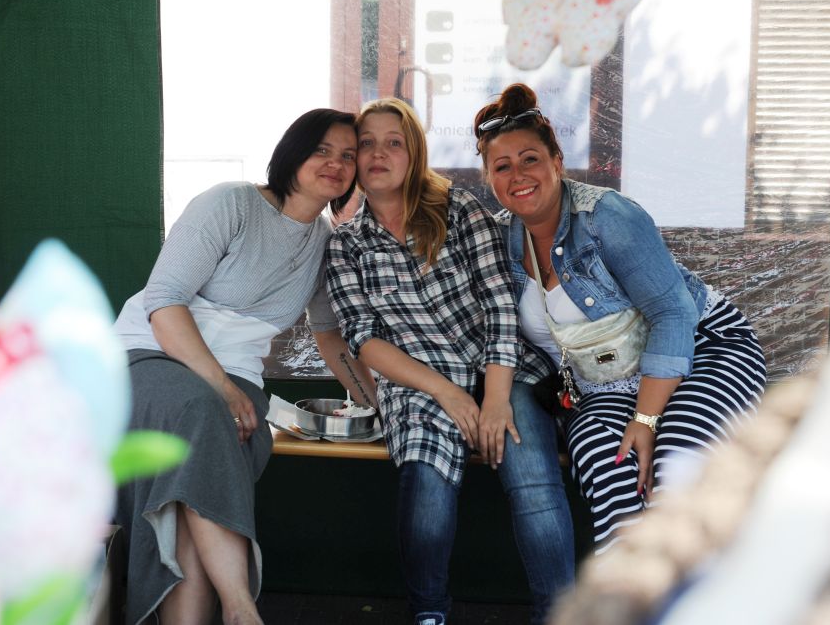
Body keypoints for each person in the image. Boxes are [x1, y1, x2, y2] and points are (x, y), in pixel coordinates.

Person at [473, 83, 767, 553]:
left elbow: (673, 314)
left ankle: (697, 586)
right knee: (603, 460)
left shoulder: (606, 215)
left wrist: (646, 420)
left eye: (530, 159)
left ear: (557, 161)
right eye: (502, 166)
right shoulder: (500, 242)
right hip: (604, 386)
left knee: (676, 460)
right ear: (489, 179)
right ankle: (631, 586)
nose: (518, 175)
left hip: (701, 350)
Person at [110, 108, 377, 625]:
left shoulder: (325, 242)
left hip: (236, 379)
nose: (336, 163)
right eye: (321, 150)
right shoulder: (230, 202)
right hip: (151, 354)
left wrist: (374, 406)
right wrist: (222, 390)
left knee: (188, 492)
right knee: (202, 415)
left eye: (348, 155)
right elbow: (163, 303)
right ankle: (240, 606)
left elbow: (329, 336)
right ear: (292, 153)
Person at [325, 98, 575, 625]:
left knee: (532, 477)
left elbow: (500, 304)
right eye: (366, 143)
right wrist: (447, 393)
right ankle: (430, 614)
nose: (378, 153)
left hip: (503, 369)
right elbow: (365, 341)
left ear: (414, 152)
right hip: (419, 384)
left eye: (394, 142)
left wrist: (496, 399)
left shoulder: (458, 210)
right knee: (426, 483)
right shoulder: (346, 244)